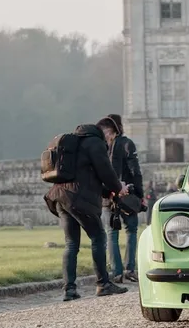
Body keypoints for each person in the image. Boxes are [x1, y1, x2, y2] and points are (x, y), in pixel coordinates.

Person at [44, 123, 130, 301]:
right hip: (79, 199)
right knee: (98, 237)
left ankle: (69, 289)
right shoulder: (94, 143)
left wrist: (110, 191)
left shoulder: (73, 144)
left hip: (60, 196)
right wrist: (117, 187)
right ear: (103, 133)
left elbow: (89, 179)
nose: (109, 139)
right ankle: (103, 284)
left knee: (71, 244)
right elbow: (104, 171)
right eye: (108, 135)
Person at [98, 114, 144, 283]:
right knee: (131, 231)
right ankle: (130, 269)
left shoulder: (100, 147)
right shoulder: (127, 144)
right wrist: (140, 195)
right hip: (127, 196)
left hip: (107, 197)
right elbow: (135, 172)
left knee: (112, 234)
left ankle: (116, 272)